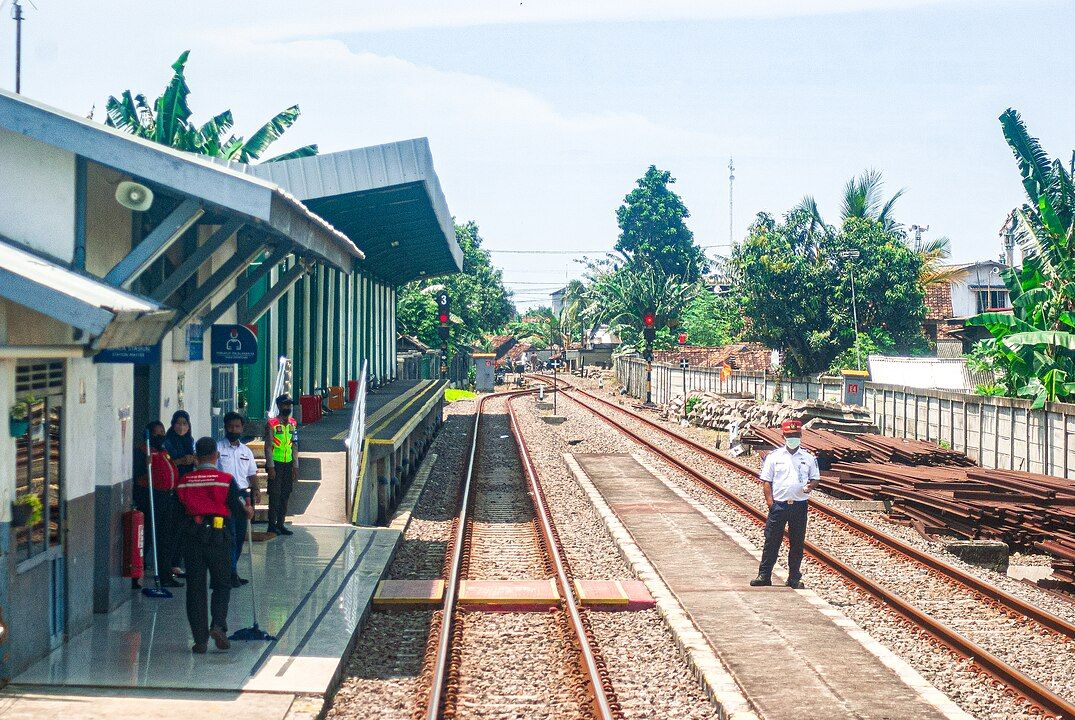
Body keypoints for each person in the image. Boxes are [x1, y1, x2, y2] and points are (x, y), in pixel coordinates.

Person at [175, 437, 252, 654]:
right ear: (216, 456)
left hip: (192, 539)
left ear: (196, 457)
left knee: (195, 588)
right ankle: (218, 626)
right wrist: (247, 512)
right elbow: (237, 510)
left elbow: (177, 513)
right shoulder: (225, 480)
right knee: (221, 583)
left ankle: (200, 640)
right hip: (219, 537)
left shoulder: (185, 480)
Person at [750, 419, 820, 589]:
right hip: (779, 506)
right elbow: (766, 481)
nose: (793, 438)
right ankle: (764, 575)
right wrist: (770, 503)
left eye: (796, 435)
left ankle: (794, 577)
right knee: (771, 541)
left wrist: (811, 485)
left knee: (797, 543)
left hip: (799, 506)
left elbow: (815, 478)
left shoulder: (808, 458)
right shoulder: (774, 457)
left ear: (801, 436)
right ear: (783, 436)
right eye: (789, 435)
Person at [132, 421, 183, 589]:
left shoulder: (163, 451)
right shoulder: (142, 451)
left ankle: (165, 574)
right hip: (152, 498)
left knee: (165, 538)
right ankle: (136, 575)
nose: (161, 435)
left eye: (163, 431)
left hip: (168, 498)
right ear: (149, 435)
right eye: (157, 433)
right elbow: (138, 476)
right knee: (147, 537)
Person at [217, 412, 259, 588]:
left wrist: (255, 491)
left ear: (242, 429)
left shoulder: (246, 451)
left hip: (242, 496)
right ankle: (229, 573)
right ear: (225, 427)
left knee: (240, 535)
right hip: (224, 496)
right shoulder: (217, 448)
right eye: (231, 426)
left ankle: (233, 570)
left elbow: (252, 473)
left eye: (237, 427)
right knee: (230, 536)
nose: (234, 429)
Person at [164, 410, 197, 579]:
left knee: (184, 526)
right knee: (173, 527)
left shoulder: (189, 440)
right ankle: (171, 564)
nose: (181, 427)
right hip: (172, 489)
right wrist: (181, 461)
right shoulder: (168, 441)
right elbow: (166, 463)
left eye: (185, 424)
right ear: (173, 423)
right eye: (178, 423)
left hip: (187, 488)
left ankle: (178, 562)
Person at [263, 394, 299, 536]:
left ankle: (281, 524)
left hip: (288, 463)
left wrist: (295, 466)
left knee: (285, 494)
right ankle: (271, 525)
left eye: (289, 405)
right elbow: (268, 446)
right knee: (274, 494)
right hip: (276, 464)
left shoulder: (293, 423)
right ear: (278, 406)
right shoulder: (272, 424)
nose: (287, 408)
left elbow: (294, 445)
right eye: (285, 405)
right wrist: (270, 466)